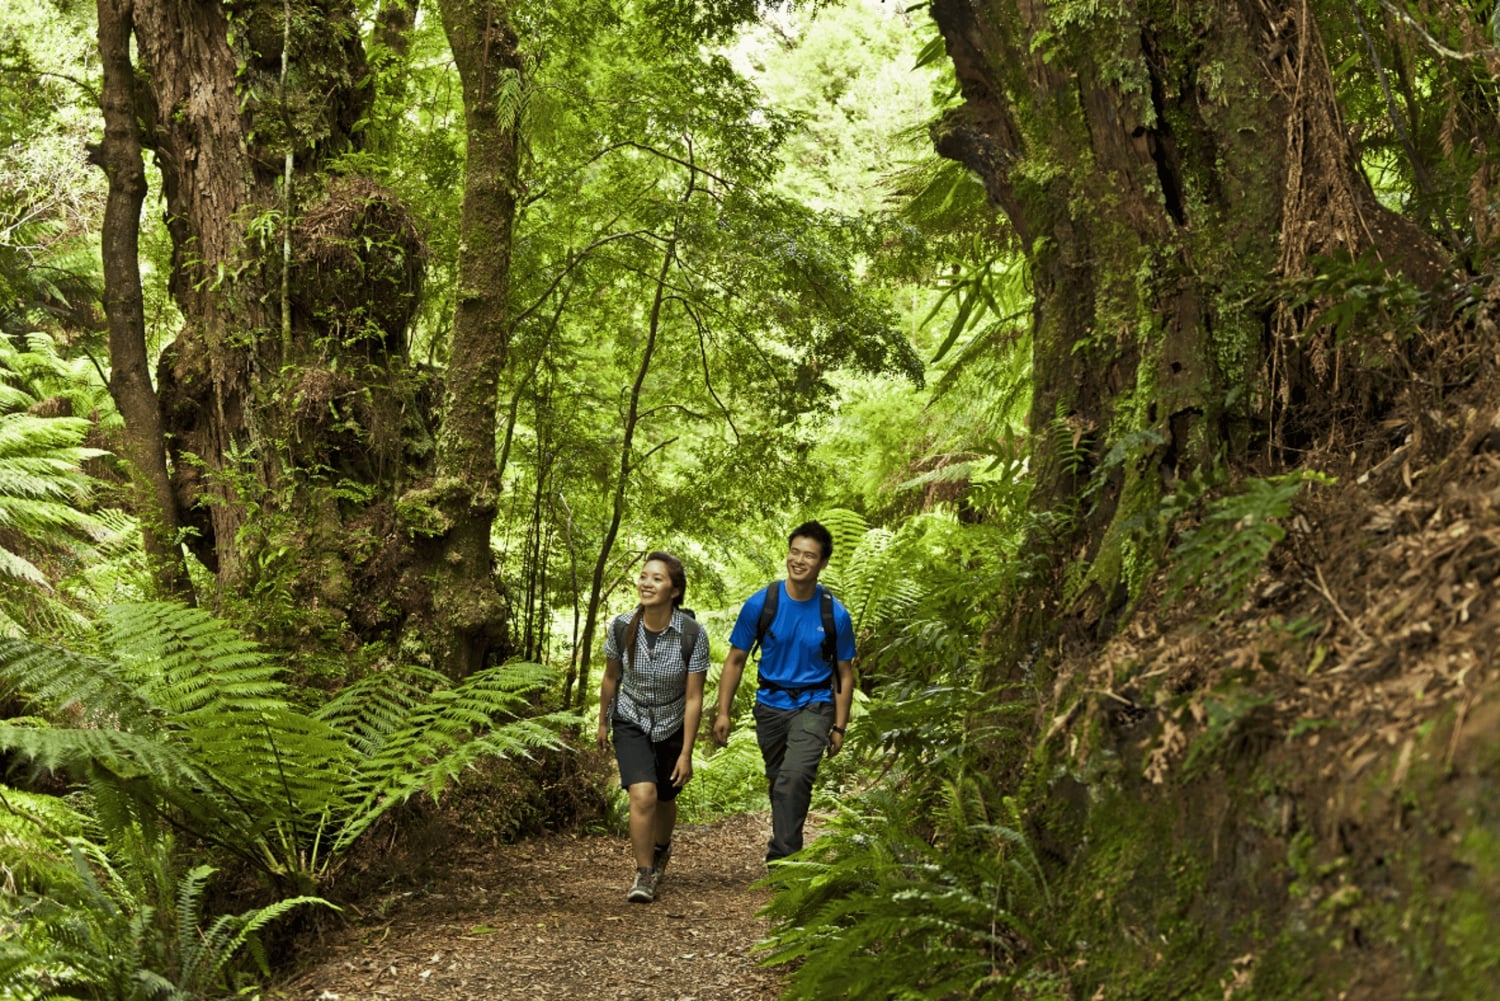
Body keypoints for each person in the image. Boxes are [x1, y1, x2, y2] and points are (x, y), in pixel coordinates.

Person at [711, 521, 855, 862]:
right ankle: (788, 849)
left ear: (823, 563)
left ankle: (784, 863)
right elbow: (735, 660)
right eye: (795, 552)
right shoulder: (762, 604)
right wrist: (723, 712)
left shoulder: (835, 614)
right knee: (780, 781)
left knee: (795, 777)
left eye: (809, 555)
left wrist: (839, 726)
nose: (799, 560)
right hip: (770, 706)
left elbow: (844, 674)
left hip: (815, 704)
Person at [596, 551, 710, 904]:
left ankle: (662, 848)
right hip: (630, 717)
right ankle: (644, 873)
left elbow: (694, 697)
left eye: (657, 579)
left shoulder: (692, 634)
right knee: (642, 793)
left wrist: (687, 752)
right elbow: (611, 677)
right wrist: (602, 722)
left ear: (674, 590)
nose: (647, 583)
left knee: (664, 796)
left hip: (673, 722)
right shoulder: (622, 626)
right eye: (644, 576)